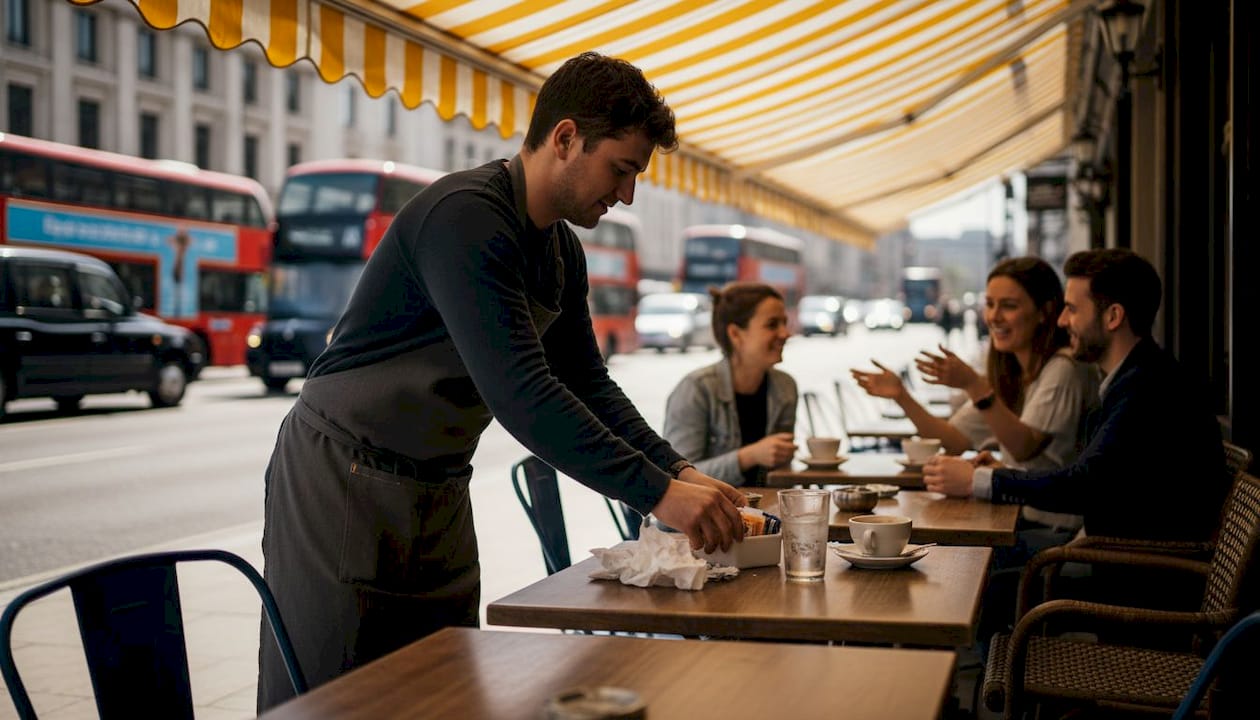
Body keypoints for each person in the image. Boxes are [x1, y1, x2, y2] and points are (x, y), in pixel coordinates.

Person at [257, 52, 746, 710]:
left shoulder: (561, 250)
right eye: (621, 170)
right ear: (566, 138)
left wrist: (680, 470)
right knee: (336, 697)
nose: (626, 194)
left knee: (445, 685)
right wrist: (659, 493)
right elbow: (522, 394)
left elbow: (587, 384)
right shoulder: (465, 217)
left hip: (438, 484)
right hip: (344, 476)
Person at [924, 249, 1227, 544]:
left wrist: (978, 481)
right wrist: (1004, 474)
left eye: (1072, 309)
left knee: (975, 562)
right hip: (1107, 552)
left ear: (1113, 317)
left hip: (1125, 569)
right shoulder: (1137, 377)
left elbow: (1082, 486)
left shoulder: (1147, 389)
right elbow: (1090, 478)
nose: (1061, 321)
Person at [852, 257, 1099, 541]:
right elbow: (955, 440)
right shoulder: (1013, 372)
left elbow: (1024, 448)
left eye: (1009, 306)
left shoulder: (1063, 368)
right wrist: (901, 396)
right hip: (1019, 517)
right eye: (990, 304)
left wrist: (973, 384)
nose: (994, 317)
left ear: (1044, 312)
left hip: (1055, 532)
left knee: (939, 552)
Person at [662, 282, 798, 487]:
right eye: (772, 325)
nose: (785, 333)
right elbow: (677, 479)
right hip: (702, 517)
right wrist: (748, 456)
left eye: (784, 323)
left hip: (762, 514)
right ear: (735, 334)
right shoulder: (696, 389)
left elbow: (780, 477)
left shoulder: (785, 387)